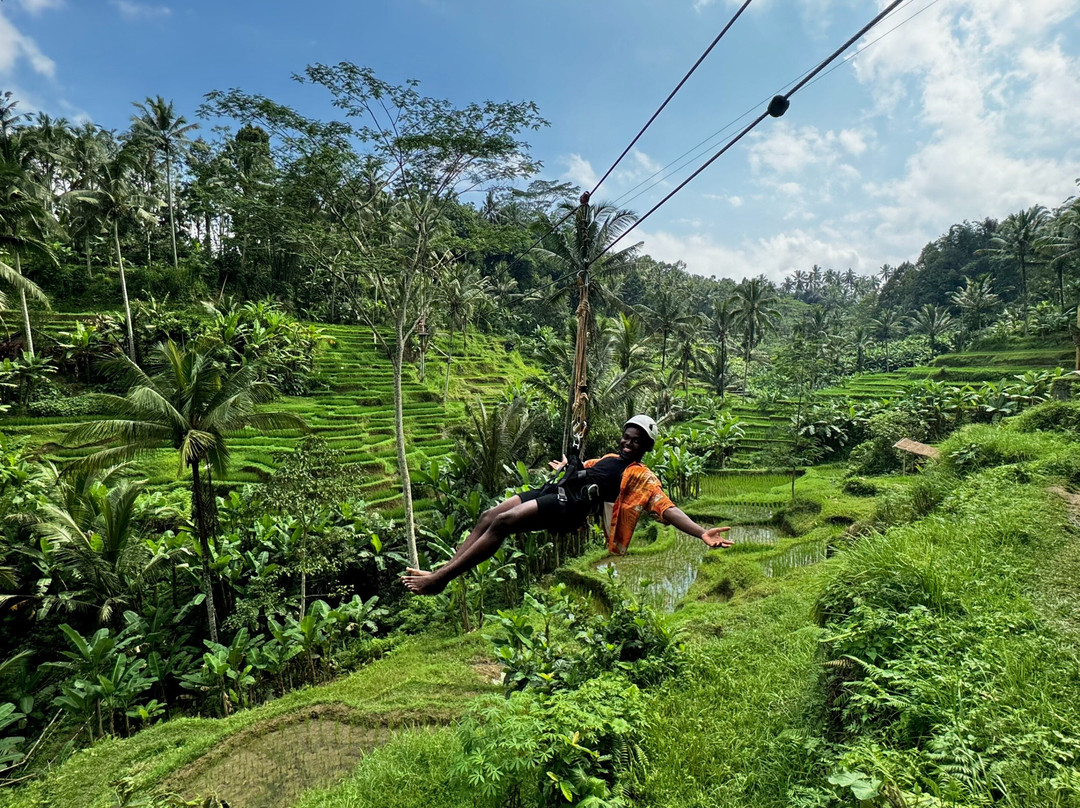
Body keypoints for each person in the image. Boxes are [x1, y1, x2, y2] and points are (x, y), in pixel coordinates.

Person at [401, 415, 733, 595]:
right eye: (627, 437)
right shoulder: (608, 458)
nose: (629, 443)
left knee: (503, 524)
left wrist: (701, 532)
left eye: (636, 440)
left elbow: (666, 508)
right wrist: (568, 467)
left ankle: (438, 580)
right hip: (553, 489)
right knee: (489, 515)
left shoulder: (641, 476)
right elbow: (586, 470)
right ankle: (441, 573)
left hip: (567, 506)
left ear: (645, 446)